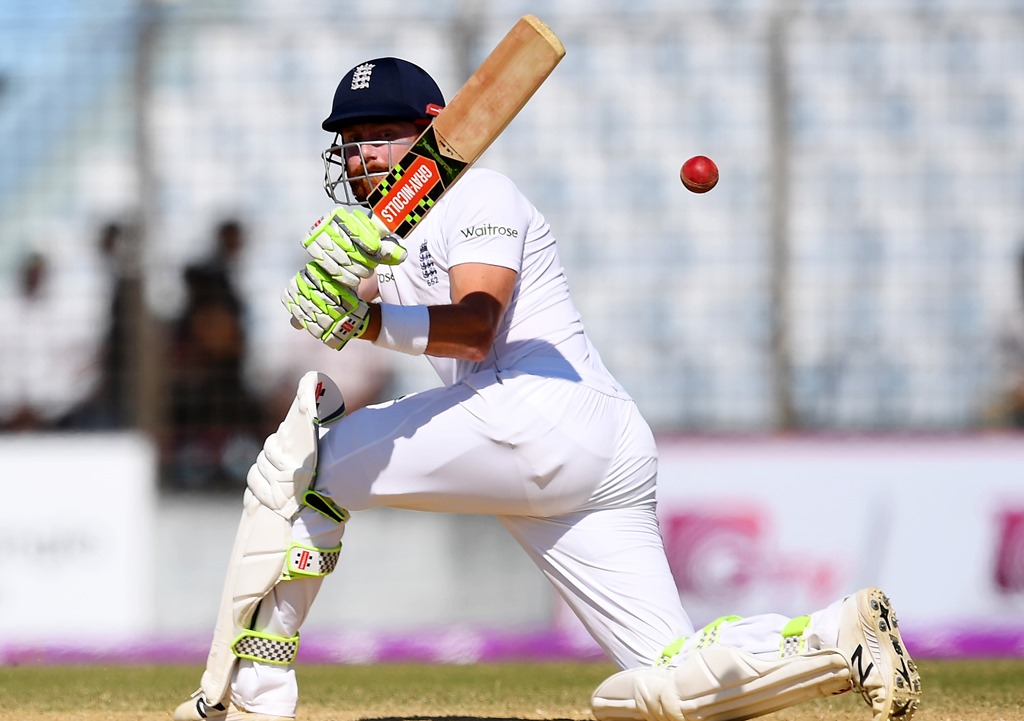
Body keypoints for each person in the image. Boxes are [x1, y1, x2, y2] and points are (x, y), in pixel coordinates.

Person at [173, 57, 921, 721]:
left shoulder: (481, 193)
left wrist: (364, 318)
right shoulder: (390, 229)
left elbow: (471, 328)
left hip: (539, 409)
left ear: (433, 135)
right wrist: (333, 284)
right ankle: (834, 636)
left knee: (300, 467)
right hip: (578, 450)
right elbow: (366, 286)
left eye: (382, 133)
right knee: (665, 677)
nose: (363, 152)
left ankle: (247, 698)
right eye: (352, 137)